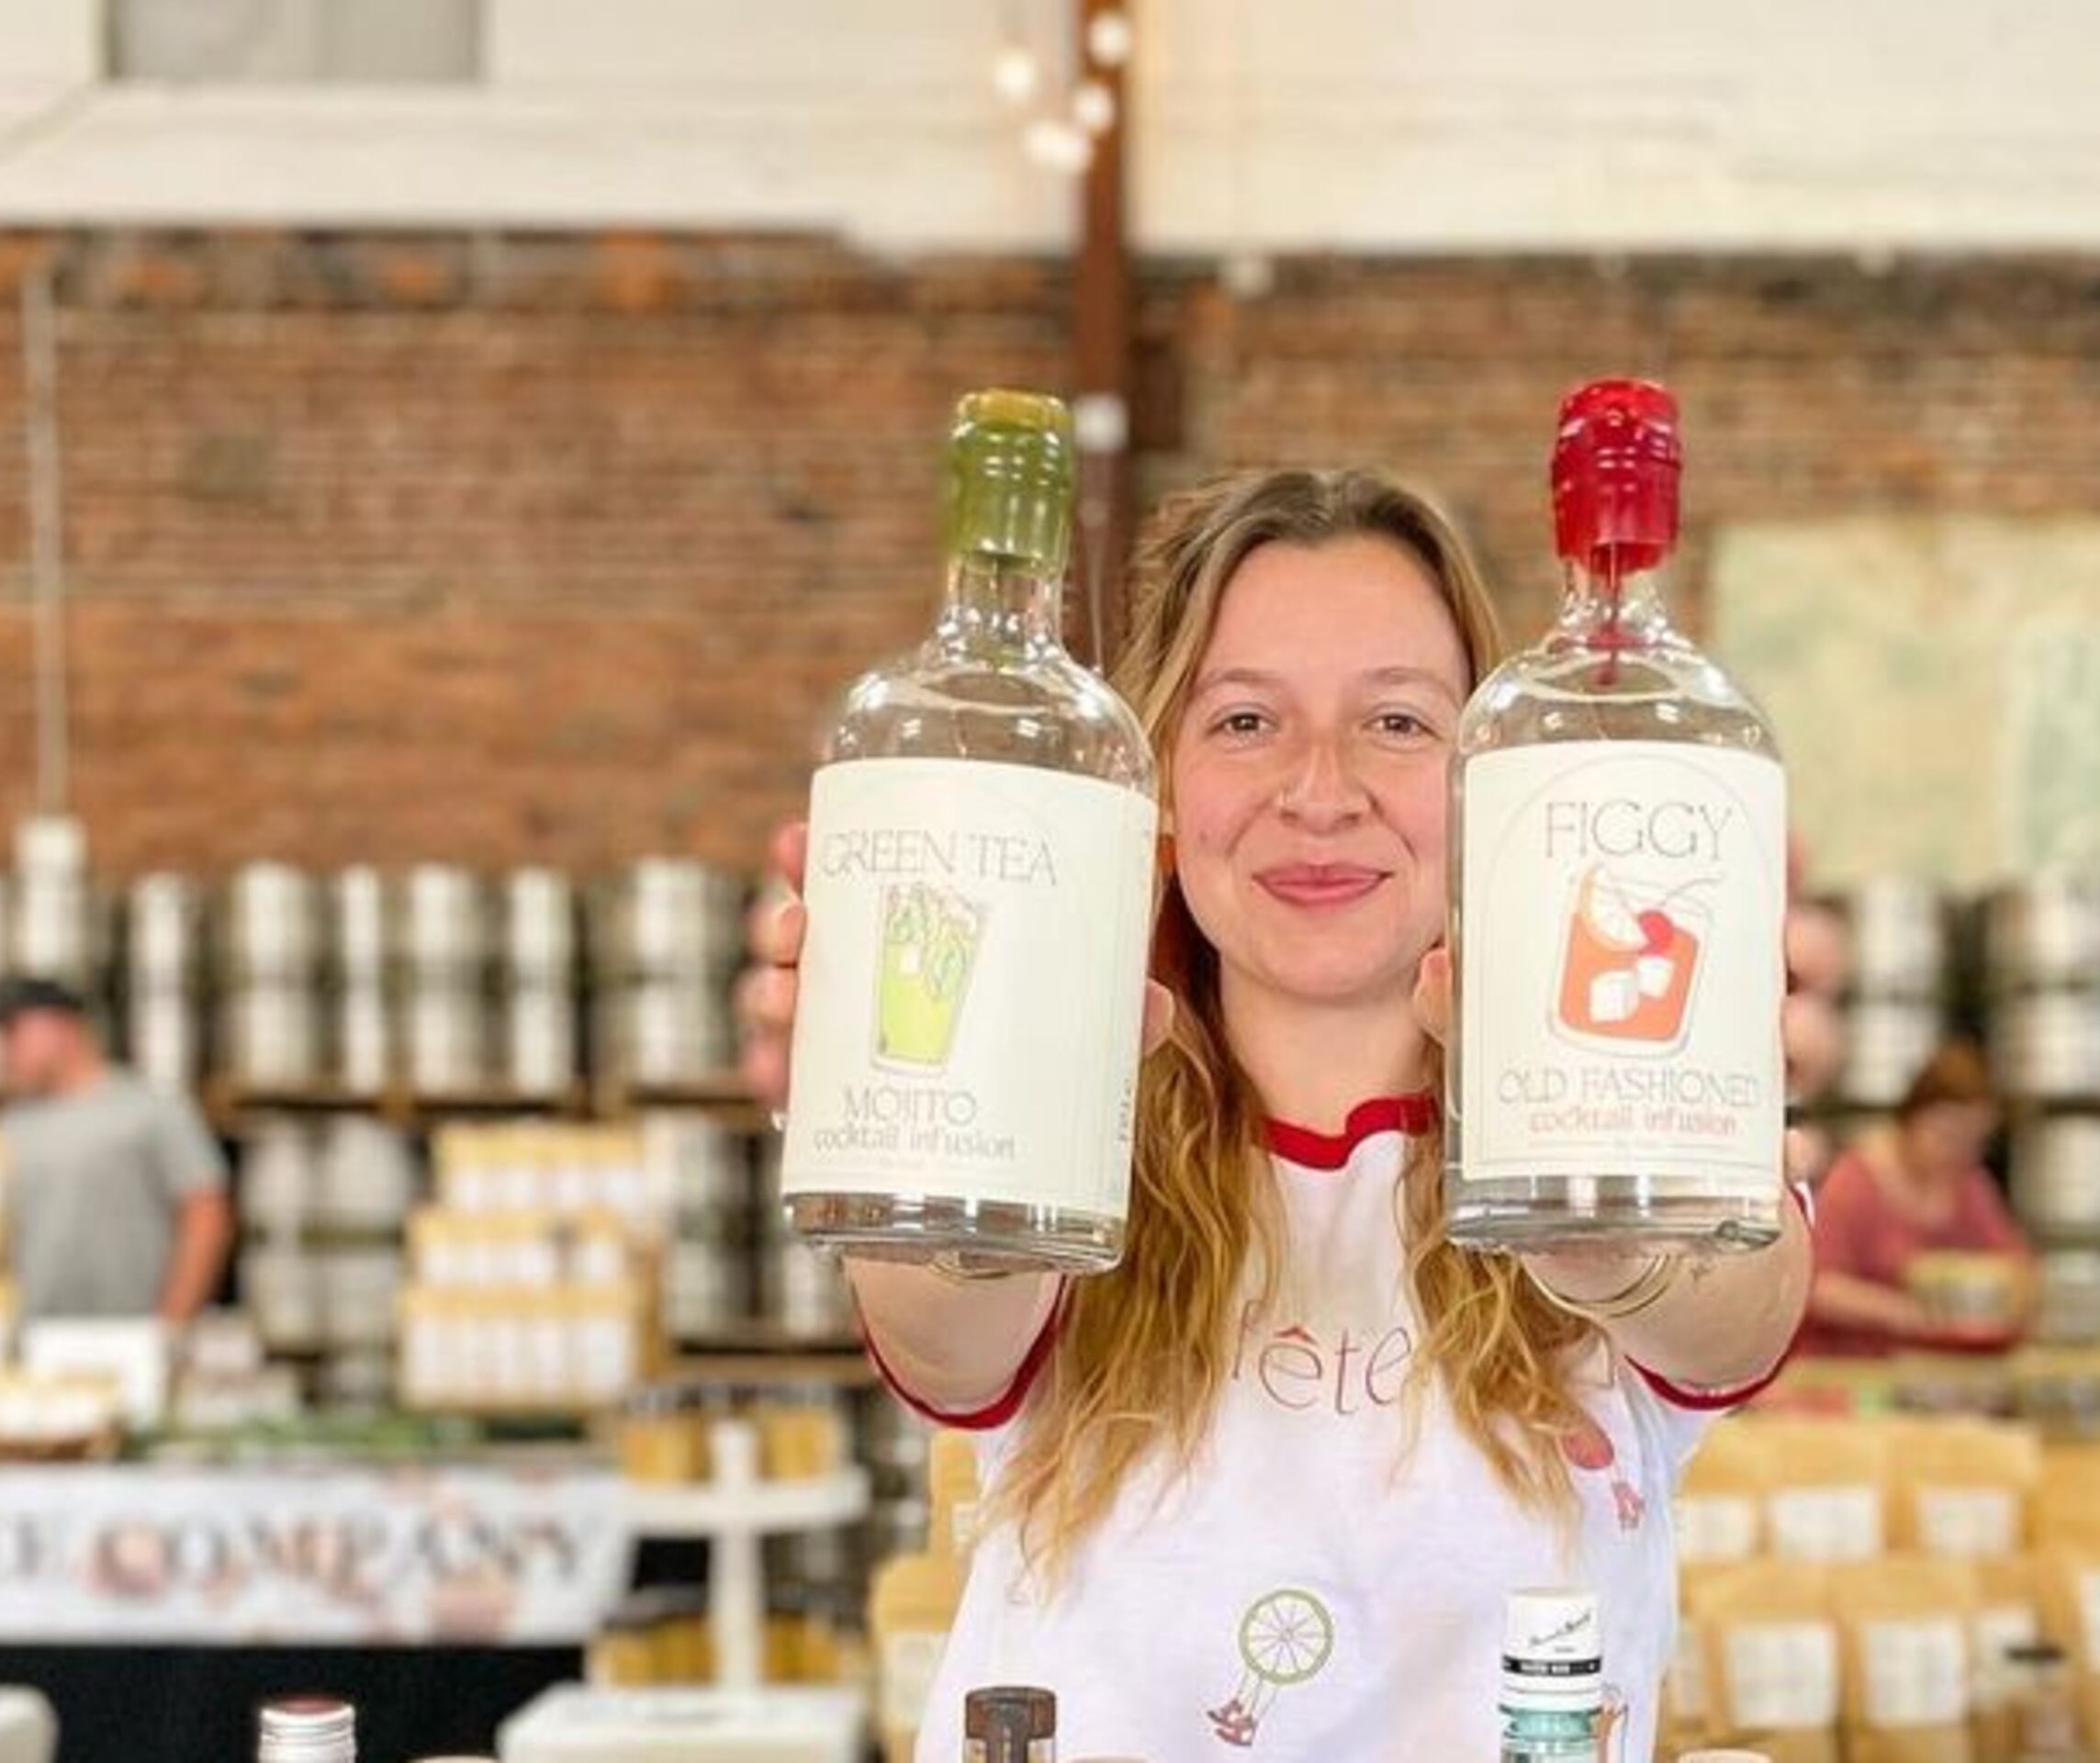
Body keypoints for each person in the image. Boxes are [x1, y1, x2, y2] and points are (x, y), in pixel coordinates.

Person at [744, 468, 1841, 1760]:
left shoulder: (1609, 1122)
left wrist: (1615, 1234)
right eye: (1247, 720)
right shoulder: (1054, 1135)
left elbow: (1728, 1318)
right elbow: (950, 1340)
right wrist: (920, 1152)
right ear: (1152, 786)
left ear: (1501, 779)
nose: (1320, 792)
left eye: (1395, 721)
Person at [0, 975, 232, 1328]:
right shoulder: (8, 1127)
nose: (1, 1050)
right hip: (35, 1336)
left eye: (11, 1033)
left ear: (62, 1027)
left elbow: (206, 1214)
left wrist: (172, 1324)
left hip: (129, 1334)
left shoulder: (150, 1110)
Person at [1795, 1039, 2031, 1357]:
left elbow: (2015, 1263)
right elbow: (1816, 1287)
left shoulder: (1968, 1183)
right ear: (1912, 1116)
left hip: (1927, 1372)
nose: (1958, 1151)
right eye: (1947, 1135)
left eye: (1973, 1141)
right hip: (1850, 1371)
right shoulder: (1855, 1181)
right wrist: (1901, 1312)